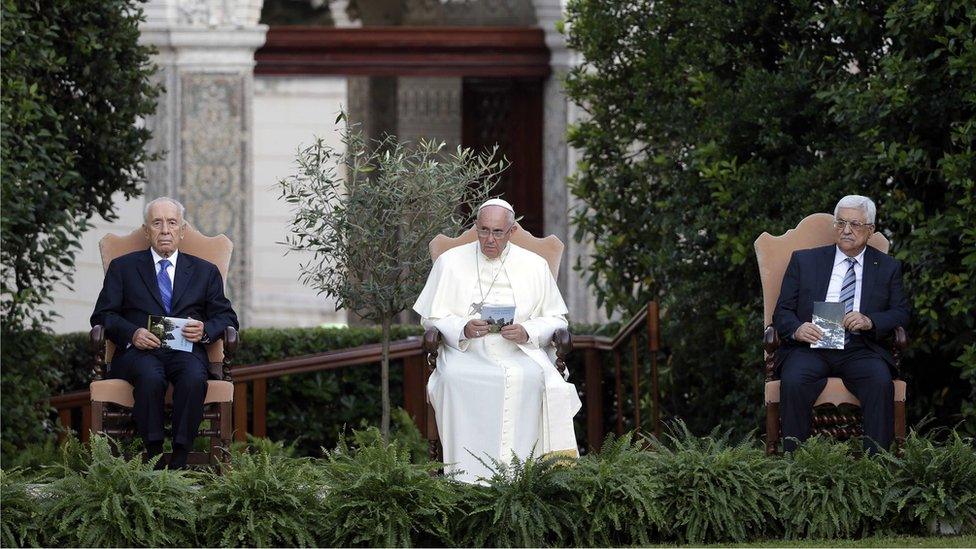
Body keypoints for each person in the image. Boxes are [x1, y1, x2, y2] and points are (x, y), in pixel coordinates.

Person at [413, 198, 581, 483]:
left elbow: (557, 320)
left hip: (520, 353)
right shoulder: (449, 263)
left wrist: (528, 331)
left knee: (533, 379)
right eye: (483, 230)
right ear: (476, 227)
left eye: (497, 232)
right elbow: (431, 319)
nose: (489, 240)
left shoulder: (535, 265)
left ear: (512, 231)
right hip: (466, 353)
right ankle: (462, 479)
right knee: (452, 377)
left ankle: (524, 479)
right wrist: (463, 328)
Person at [91, 197, 239, 468]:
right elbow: (102, 316)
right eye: (157, 223)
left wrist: (206, 330)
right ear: (147, 231)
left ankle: (180, 457)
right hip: (139, 352)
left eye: (172, 223)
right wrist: (132, 333)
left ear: (182, 230)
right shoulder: (123, 268)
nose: (165, 230)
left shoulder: (205, 272)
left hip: (186, 350)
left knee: (194, 377)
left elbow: (227, 317)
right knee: (150, 377)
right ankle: (155, 455)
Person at [773, 195, 910, 452]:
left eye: (855, 224)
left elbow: (901, 313)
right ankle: (795, 465)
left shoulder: (888, 267)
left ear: (870, 230)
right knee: (793, 379)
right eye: (841, 223)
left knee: (880, 381)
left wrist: (871, 321)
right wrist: (798, 329)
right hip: (810, 347)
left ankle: (877, 467)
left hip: (861, 348)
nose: (847, 230)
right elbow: (782, 312)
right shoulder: (804, 260)